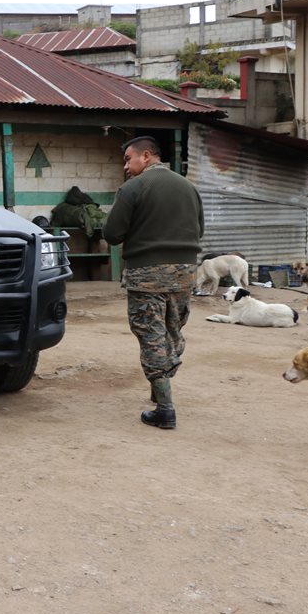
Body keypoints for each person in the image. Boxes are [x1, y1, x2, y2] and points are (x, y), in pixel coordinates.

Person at [103, 135, 203, 430]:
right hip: (184, 273)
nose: (125, 166)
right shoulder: (189, 187)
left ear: (146, 156)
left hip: (146, 274)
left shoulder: (133, 188)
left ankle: (165, 408)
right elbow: (200, 228)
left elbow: (112, 233)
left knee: (151, 335)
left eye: (128, 159)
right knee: (172, 330)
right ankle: (159, 385)